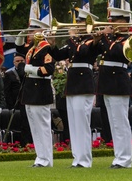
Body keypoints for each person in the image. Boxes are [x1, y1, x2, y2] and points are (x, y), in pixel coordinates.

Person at [63, 11, 111, 168]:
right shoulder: (76, 41)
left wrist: (72, 37)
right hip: (72, 84)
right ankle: (77, 157)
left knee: (82, 122)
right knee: (74, 123)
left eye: (81, 22)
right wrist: (49, 43)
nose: (77, 25)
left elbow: (82, 52)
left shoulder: (91, 40)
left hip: (83, 84)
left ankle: (84, 159)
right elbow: (58, 54)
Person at [20, 22, 60, 167]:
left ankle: (46, 159)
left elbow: (49, 69)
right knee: (35, 127)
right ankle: (40, 157)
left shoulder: (46, 48)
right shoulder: (33, 48)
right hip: (30, 89)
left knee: (42, 126)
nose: (30, 33)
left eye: (33, 30)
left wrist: (32, 70)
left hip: (40, 89)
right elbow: (19, 48)